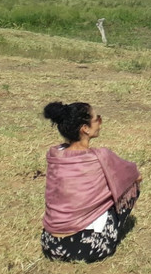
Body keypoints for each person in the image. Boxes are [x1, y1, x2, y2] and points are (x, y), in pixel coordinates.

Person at [40, 101, 142, 262]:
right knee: (132, 185)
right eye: (97, 119)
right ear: (85, 129)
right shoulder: (101, 157)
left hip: (51, 245)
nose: (100, 123)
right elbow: (135, 175)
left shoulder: (55, 155)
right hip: (88, 248)